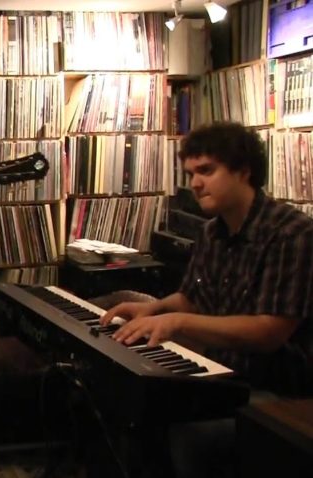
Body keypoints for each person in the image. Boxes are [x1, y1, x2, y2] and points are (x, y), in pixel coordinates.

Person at [100, 122, 313, 477]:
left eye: (206, 171)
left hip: (275, 389)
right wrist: (154, 308)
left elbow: (269, 332)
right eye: (191, 174)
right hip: (217, 371)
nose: (195, 183)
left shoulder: (292, 234)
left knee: (191, 431)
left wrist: (177, 322)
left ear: (243, 171)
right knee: (125, 404)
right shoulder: (211, 231)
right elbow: (193, 299)